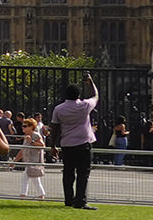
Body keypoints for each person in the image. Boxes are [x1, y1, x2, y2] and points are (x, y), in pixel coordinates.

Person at [49, 74, 99, 208]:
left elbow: (54, 127)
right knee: (83, 173)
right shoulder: (84, 106)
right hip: (83, 143)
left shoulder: (59, 109)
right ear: (78, 95)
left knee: (68, 173)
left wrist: (53, 145)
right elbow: (95, 96)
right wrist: (91, 82)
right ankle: (80, 201)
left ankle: (68, 200)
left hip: (67, 144)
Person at [16, 117, 48, 200]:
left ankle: (23, 195)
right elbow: (23, 150)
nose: (23, 128)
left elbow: (42, 145)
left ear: (31, 127)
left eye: (25, 126)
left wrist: (32, 141)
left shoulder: (35, 135)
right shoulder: (26, 136)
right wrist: (14, 161)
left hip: (34, 160)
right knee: (34, 178)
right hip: (28, 160)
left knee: (27, 177)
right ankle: (41, 195)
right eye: (23, 126)